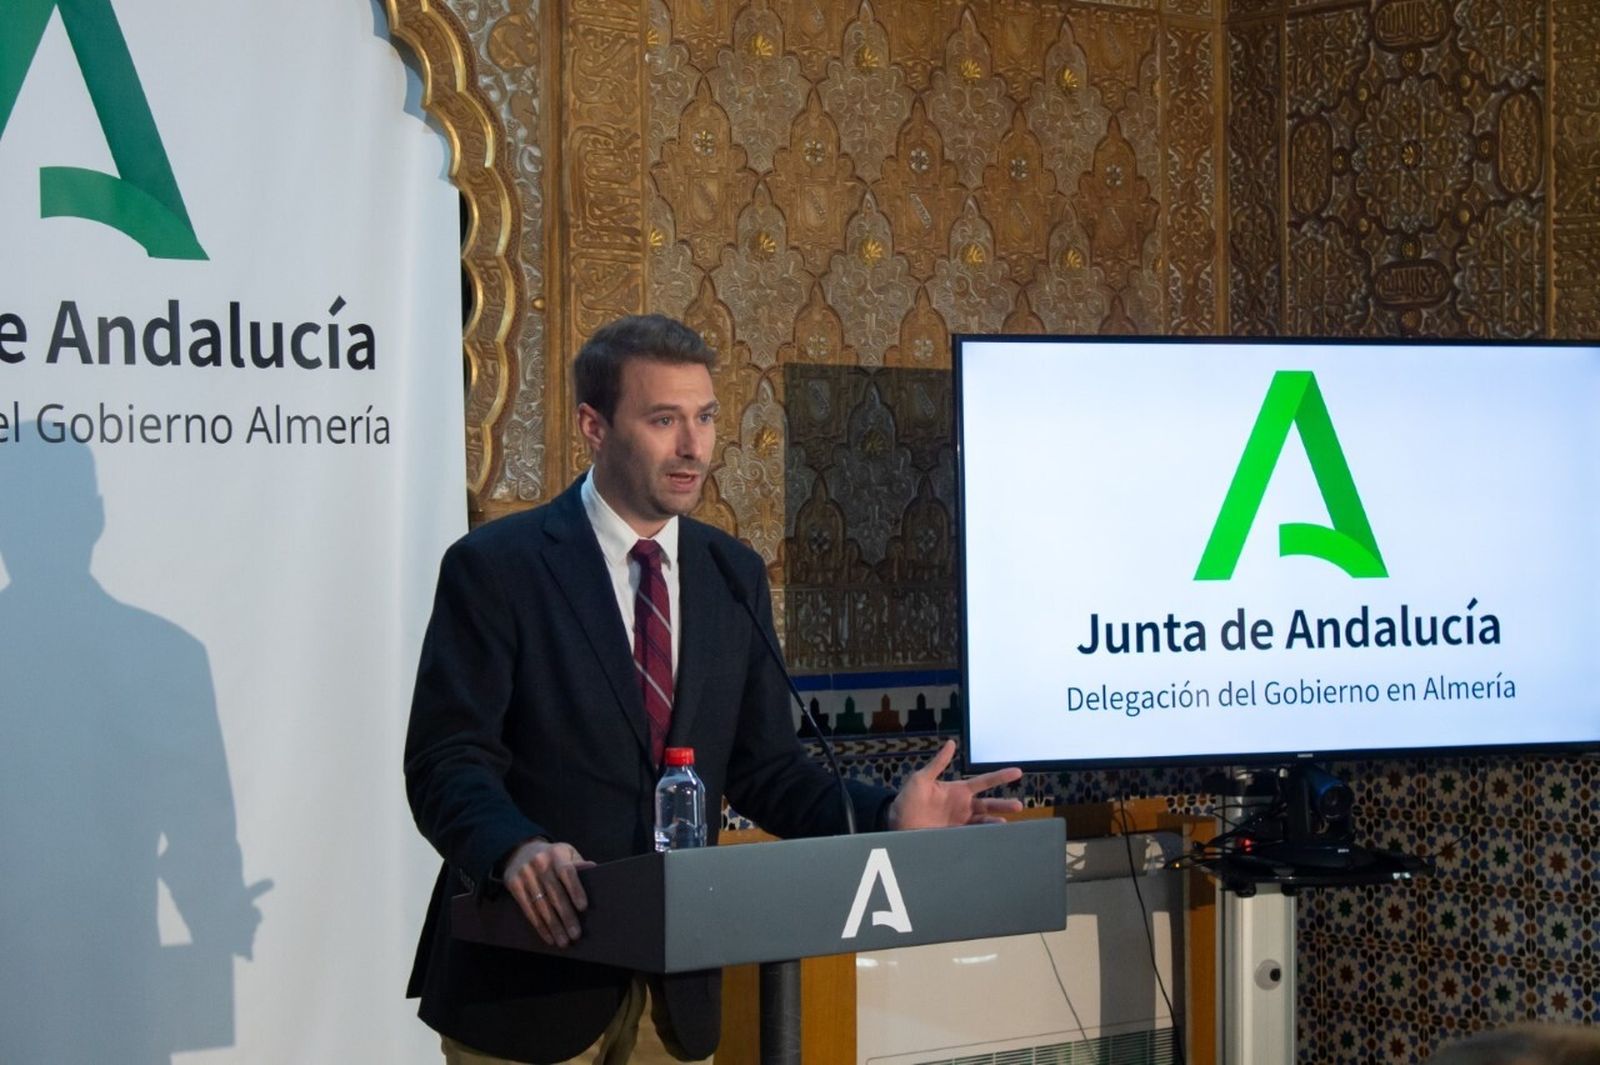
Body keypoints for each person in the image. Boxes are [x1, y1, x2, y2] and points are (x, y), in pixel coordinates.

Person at [404, 314, 1021, 1064]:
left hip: (678, 992)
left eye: (704, 418)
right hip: (529, 982)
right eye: (663, 420)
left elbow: (768, 769)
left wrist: (886, 810)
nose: (694, 446)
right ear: (592, 425)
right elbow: (447, 760)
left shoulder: (731, 571)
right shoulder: (498, 566)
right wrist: (516, 848)